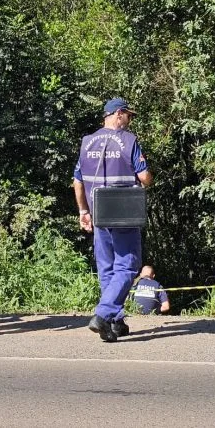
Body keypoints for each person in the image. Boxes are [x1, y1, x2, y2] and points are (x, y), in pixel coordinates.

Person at [73, 98, 153, 342]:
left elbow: (78, 181)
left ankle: (115, 322)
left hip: (98, 213)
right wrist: (147, 172)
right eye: (128, 115)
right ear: (118, 114)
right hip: (123, 213)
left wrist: (83, 211)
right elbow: (145, 177)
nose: (129, 121)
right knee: (128, 266)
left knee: (107, 268)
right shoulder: (129, 141)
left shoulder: (87, 142)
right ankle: (103, 314)